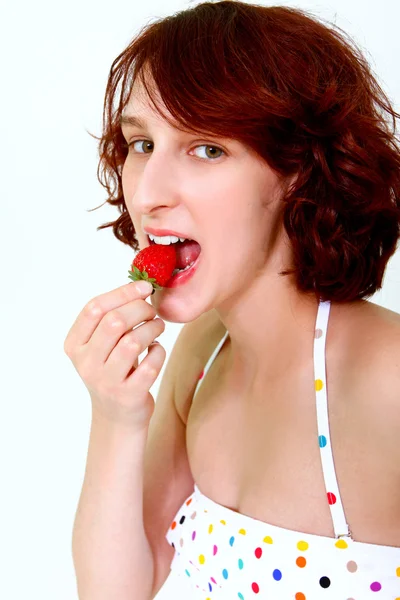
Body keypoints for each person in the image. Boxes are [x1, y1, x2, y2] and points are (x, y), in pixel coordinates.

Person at [66, 1, 400, 598]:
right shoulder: (203, 352)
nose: (148, 195)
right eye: (141, 144)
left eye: (207, 149)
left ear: (296, 170)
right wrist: (115, 415)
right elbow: (118, 589)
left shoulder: (387, 377)